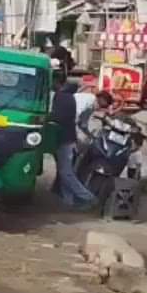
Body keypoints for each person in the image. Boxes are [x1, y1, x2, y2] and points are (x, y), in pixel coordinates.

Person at [51, 80, 98, 208]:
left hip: (62, 138)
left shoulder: (61, 98)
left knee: (65, 172)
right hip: (67, 138)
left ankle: (87, 197)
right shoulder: (72, 99)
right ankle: (68, 201)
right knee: (64, 171)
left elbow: (60, 118)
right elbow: (80, 122)